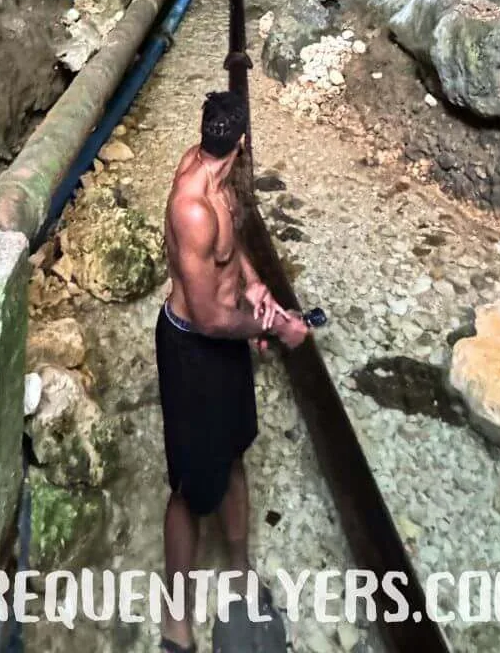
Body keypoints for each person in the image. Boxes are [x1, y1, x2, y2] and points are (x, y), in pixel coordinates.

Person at [155, 89, 310, 652]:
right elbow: (212, 318)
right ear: (241, 142)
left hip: (222, 335)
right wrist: (275, 329)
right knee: (190, 489)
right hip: (193, 349)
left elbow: (231, 252)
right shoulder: (191, 207)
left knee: (236, 450)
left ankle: (240, 570)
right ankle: (177, 619)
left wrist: (256, 285)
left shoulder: (214, 175)